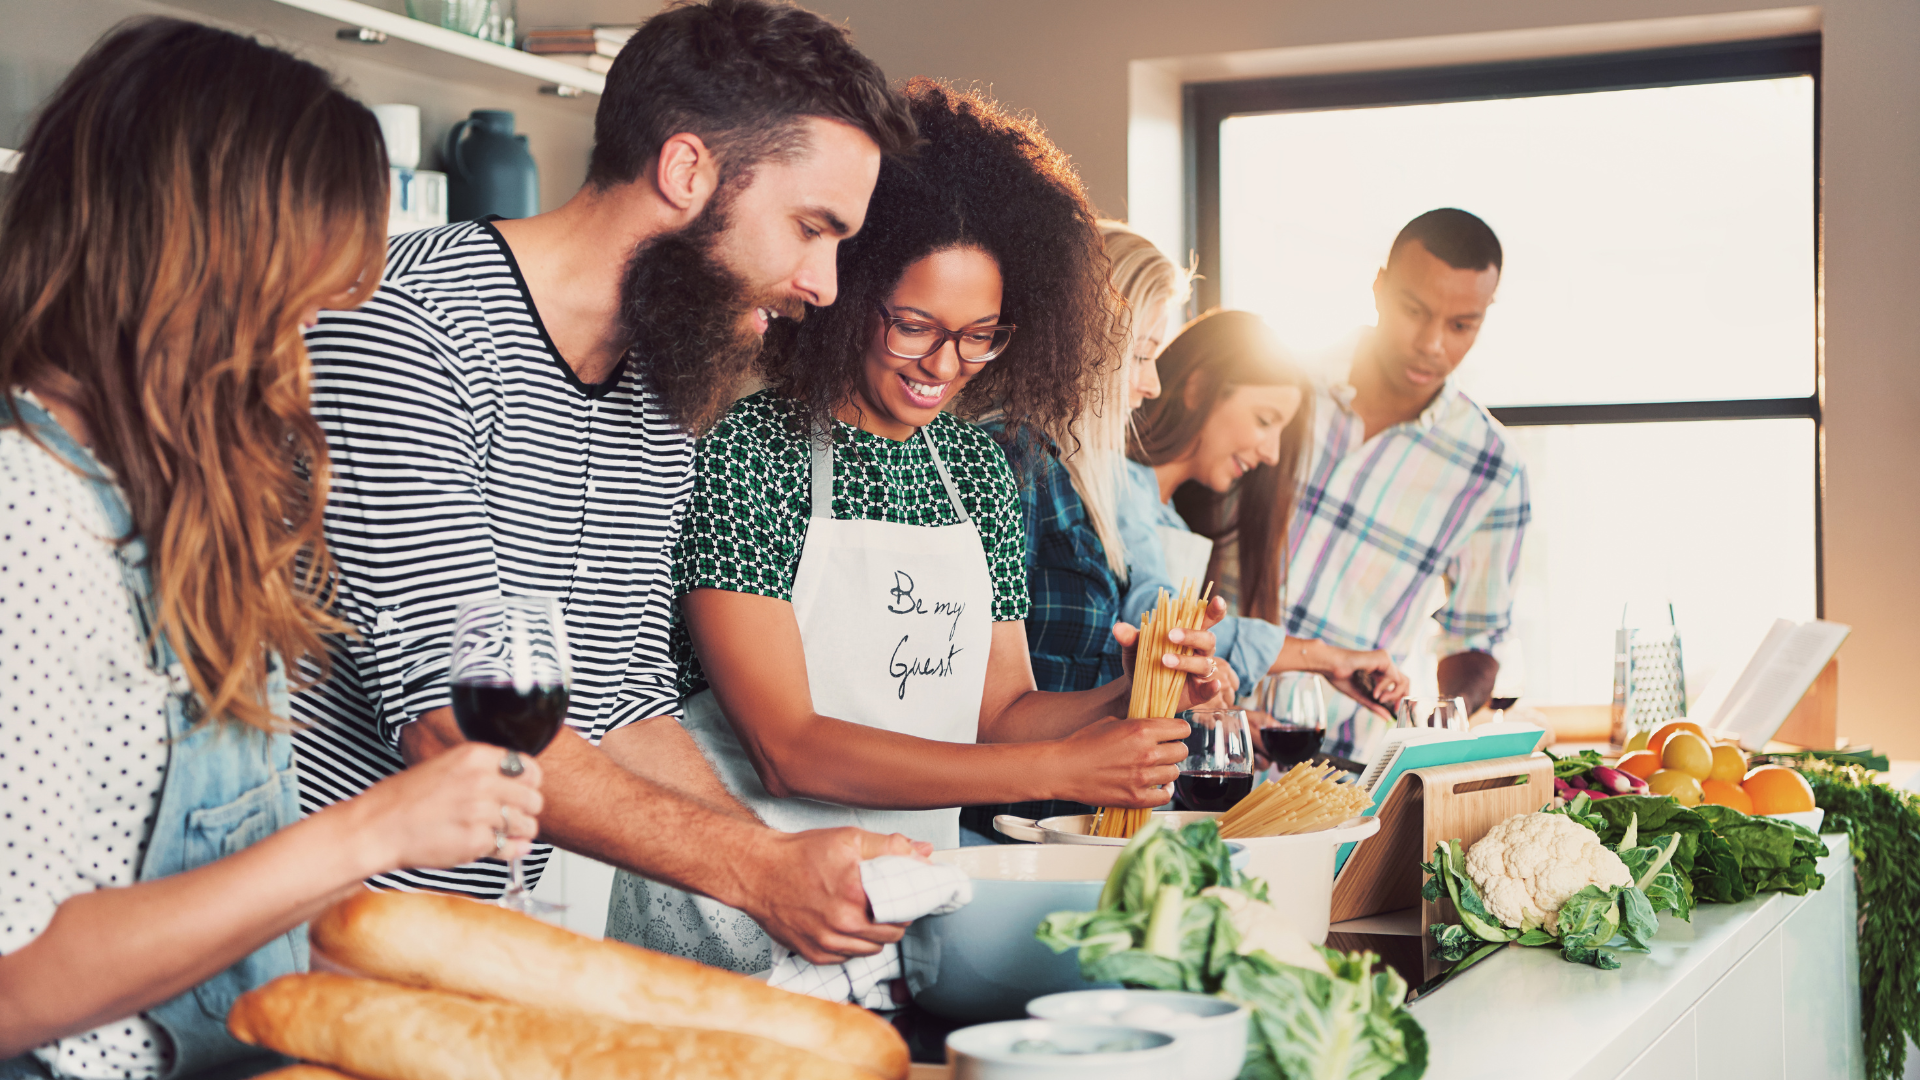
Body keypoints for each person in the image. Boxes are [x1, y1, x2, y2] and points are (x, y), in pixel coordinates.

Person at [290, 0, 927, 966]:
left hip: (488, 937)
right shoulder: (408, 332)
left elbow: (623, 699)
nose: (825, 285)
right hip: (314, 934)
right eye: (811, 227)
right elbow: (454, 723)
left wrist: (780, 865)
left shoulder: (661, 386)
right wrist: (755, 872)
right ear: (685, 172)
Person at [0, 21, 543, 1079]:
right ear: (194, 264)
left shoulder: (169, 507)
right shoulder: (25, 511)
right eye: (294, 306)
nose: (306, 354)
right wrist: (375, 831)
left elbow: (230, 889)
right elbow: (12, 982)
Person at [608, 80, 1228, 968]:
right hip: (726, 920)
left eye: (981, 336)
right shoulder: (749, 453)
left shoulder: (975, 471)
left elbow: (999, 714)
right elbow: (789, 750)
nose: (946, 366)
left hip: (899, 914)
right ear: (852, 294)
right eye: (915, 327)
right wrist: (1064, 770)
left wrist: (1133, 697)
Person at [954, 221, 1190, 840]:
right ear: (1085, 341)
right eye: (1140, 355)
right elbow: (982, 711)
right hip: (997, 832)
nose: (1152, 383)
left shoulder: (1069, 473)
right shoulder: (1009, 460)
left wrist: (1146, 685)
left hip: (1051, 828)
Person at [1284, 208, 1529, 759]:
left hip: (1339, 765)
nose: (1432, 343)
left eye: (1461, 325)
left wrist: (1435, 737)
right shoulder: (1283, 381)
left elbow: (1475, 638)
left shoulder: (1492, 468)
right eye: (1413, 311)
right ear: (1378, 288)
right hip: (1199, 736)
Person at [1121, 310, 1408, 734]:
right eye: (1264, 420)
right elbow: (1161, 624)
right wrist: (1325, 659)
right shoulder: (1119, 481)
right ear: (1199, 388)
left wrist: (1219, 718)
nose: (1272, 454)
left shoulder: (1175, 521)